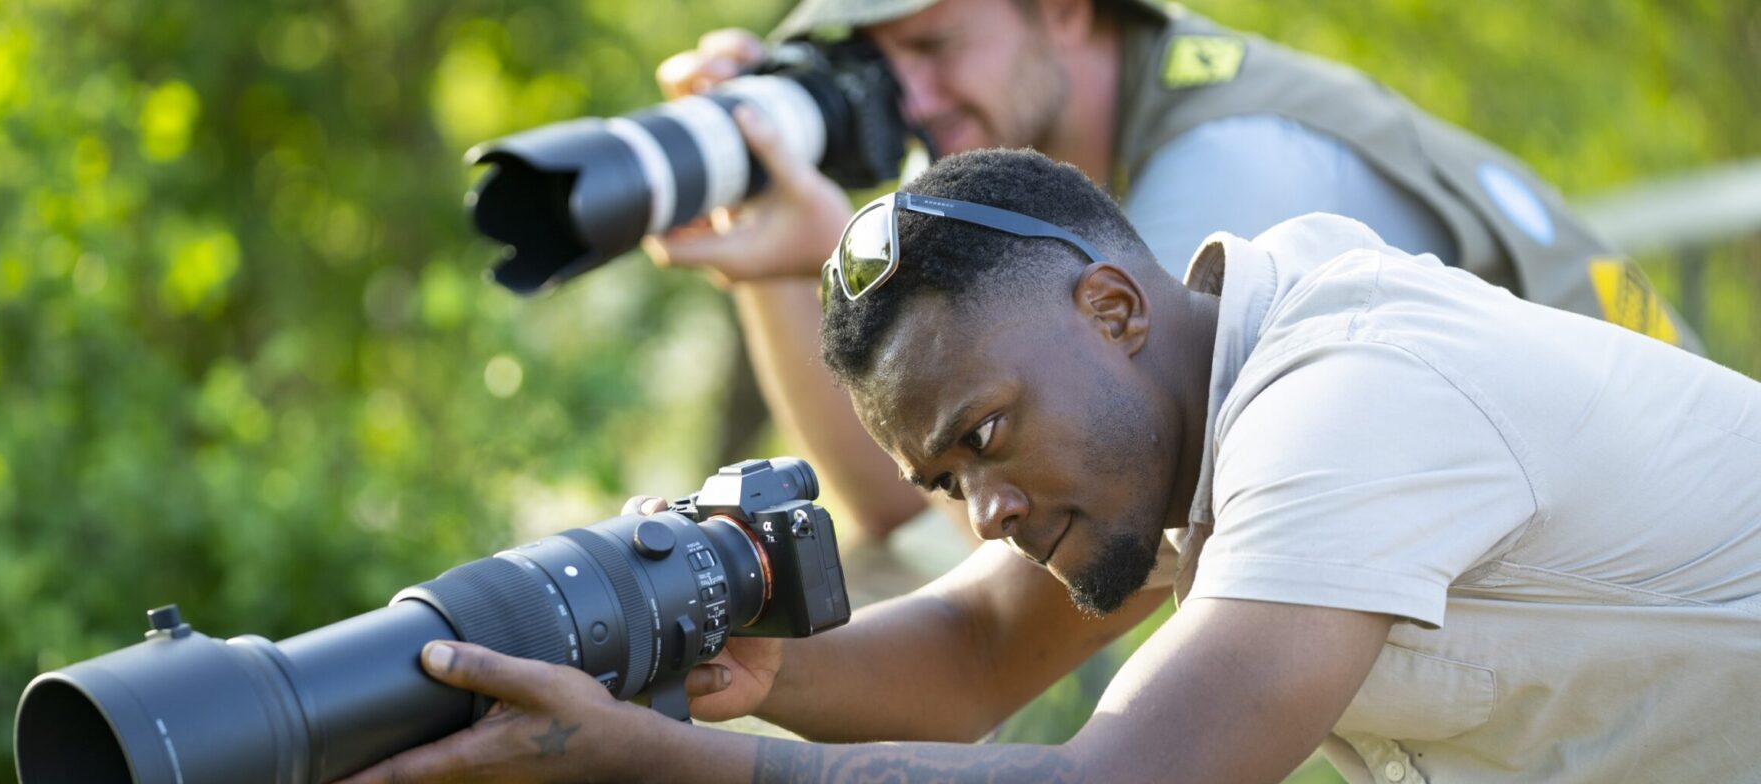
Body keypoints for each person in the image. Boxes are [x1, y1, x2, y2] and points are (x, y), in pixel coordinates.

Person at [317, 150, 1761, 784]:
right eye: (945, 481)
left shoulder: (1350, 400)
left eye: (987, 436)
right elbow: (972, 651)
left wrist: (661, 771)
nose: (986, 512)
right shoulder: (1188, 412)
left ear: (1114, 309)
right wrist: (744, 673)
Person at [643, 0, 1700, 545]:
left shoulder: (1228, 180)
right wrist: (783, 267)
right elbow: (902, 500)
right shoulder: (1093, 213)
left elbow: (1012, 620)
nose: (907, 99)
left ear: (1060, 9)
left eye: (932, 45)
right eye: (876, 64)